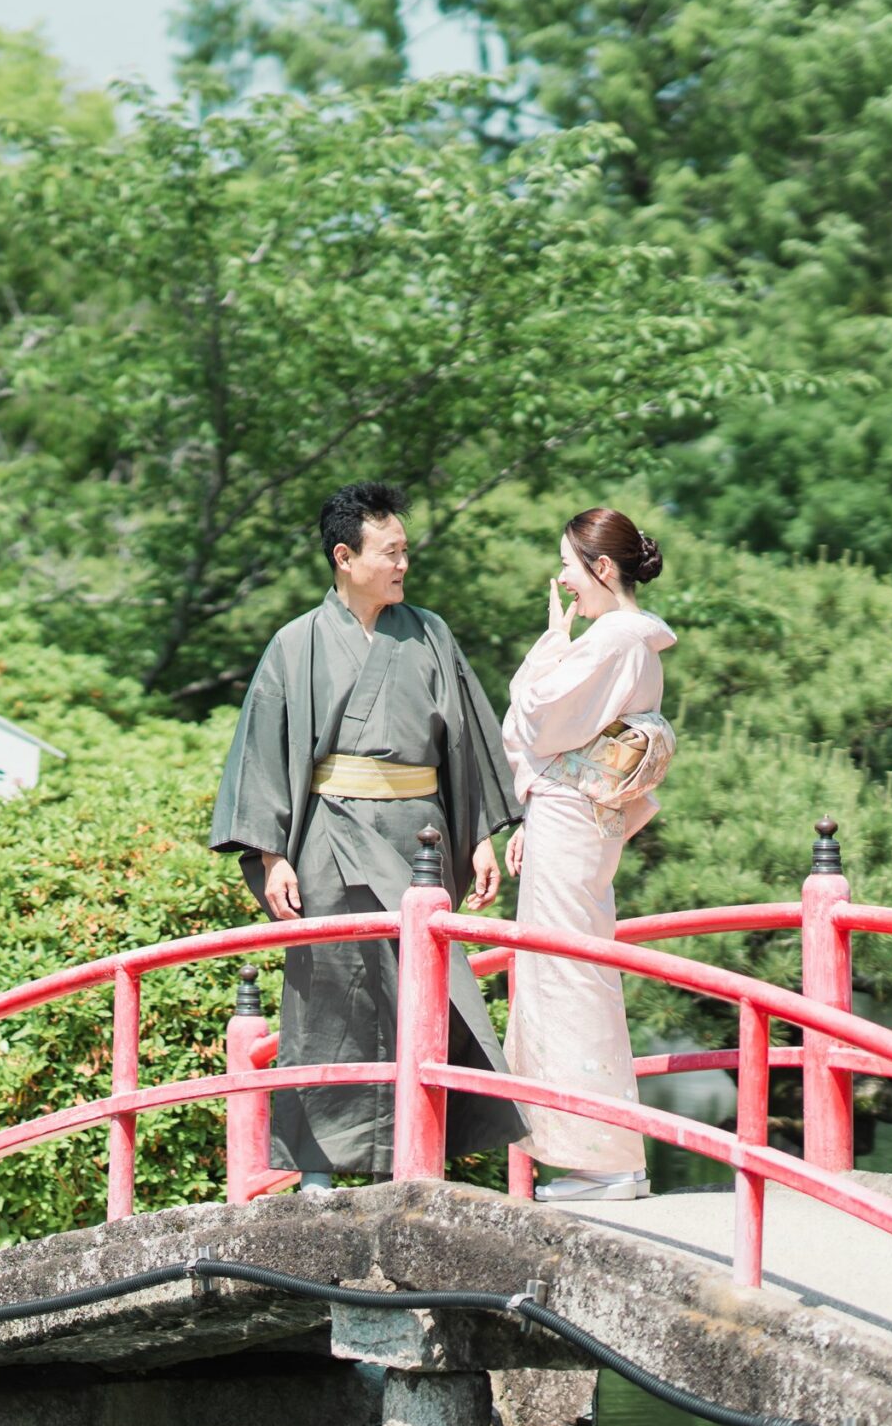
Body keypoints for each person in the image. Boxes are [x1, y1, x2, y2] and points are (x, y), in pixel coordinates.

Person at [210, 481, 526, 1186]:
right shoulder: (296, 644)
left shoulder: (431, 634)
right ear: (344, 556)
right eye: (390, 552)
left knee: (427, 996)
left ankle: (414, 1168)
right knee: (328, 1000)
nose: (402, 565)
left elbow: (467, 742)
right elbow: (263, 752)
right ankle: (319, 1176)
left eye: (406, 551)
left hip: (422, 840)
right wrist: (272, 854)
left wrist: (477, 837)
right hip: (329, 838)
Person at [499, 508, 678, 1203]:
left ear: (603, 569)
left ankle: (605, 1158)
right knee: (570, 970)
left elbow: (535, 714)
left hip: (572, 820)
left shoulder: (612, 639)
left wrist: (551, 638)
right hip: (580, 816)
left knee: (566, 973)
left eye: (570, 569)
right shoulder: (630, 640)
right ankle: (602, 1152)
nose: (565, 584)